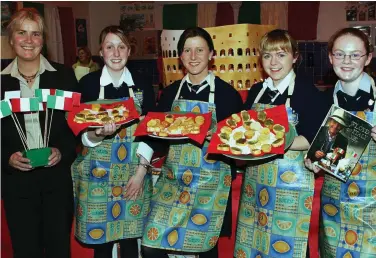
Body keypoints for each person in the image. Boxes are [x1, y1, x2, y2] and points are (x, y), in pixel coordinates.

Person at [140, 27, 243, 258]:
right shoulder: (169, 94)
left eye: (200, 50)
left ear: (211, 54)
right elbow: (154, 138)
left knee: (205, 247)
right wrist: (140, 169)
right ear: (181, 56)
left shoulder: (228, 95)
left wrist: (220, 137)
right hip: (174, 182)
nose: (193, 56)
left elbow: (242, 145)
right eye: (187, 50)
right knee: (150, 245)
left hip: (211, 186)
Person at [234, 29, 327, 258]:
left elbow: (313, 139)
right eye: (267, 55)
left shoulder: (307, 92)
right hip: (256, 184)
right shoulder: (257, 92)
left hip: (292, 185)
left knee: (290, 247)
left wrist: (273, 142)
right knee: (256, 243)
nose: (273, 62)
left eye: (281, 54)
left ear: (295, 57)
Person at [70, 25, 156, 258]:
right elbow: (79, 133)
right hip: (98, 175)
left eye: (121, 47)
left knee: (130, 239)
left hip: (132, 174)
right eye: (110, 47)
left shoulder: (142, 85)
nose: (116, 53)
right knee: (102, 243)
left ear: (129, 51)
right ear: (101, 52)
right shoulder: (87, 85)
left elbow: (150, 131)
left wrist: (140, 173)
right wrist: (98, 134)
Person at [1, 8, 77, 258]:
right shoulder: (0, 84)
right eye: (22, 33)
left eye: (36, 34)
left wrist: (61, 151)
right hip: (16, 184)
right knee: (25, 251)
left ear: (43, 40)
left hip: (57, 182)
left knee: (59, 250)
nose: (29, 40)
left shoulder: (64, 77)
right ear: (11, 38)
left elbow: (75, 127)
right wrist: (6, 158)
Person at [305, 27, 376, 258]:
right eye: (339, 54)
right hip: (334, 203)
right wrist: (312, 161)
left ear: (368, 58)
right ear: (330, 57)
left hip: (372, 205)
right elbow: (317, 149)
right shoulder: (322, 101)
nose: (347, 61)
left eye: (355, 55)